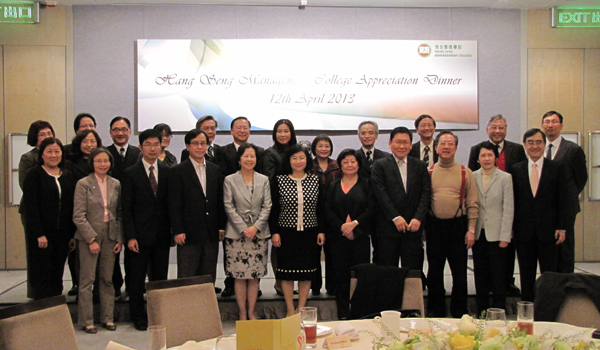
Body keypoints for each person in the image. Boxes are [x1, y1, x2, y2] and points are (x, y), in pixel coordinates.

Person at [509, 128, 574, 302]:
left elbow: (564, 200)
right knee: (526, 273)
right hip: (524, 232)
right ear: (524, 145)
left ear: (545, 145)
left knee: (549, 275)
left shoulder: (557, 168)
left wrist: (562, 226)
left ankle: (547, 309)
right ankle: (527, 310)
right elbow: (512, 202)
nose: (534, 146)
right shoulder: (515, 170)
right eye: (530, 142)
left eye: (538, 142)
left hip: (549, 231)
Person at [468, 114, 526, 297]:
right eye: (494, 127)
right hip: (479, 228)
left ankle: (504, 295)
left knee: (502, 267)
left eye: (501, 127)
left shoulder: (516, 150)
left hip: (502, 219)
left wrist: (506, 232)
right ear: (487, 129)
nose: (498, 130)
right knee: (482, 272)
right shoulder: (475, 154)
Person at [122, 129, 171, 331]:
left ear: (161, 146)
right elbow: (126, 208)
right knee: (136, 278)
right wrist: (130, 236)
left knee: (160, 279)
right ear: (141, 147)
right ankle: (138, 316)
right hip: (139, 236)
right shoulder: (130, 173)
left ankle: (157, 315)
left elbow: (171, 204)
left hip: (161, 234)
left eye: (156, 144)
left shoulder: (168, 171)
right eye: (148, 144)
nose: (152, 148)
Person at [425, 130, 478, 318]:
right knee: (434, 272)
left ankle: (459, 311)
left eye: (450, 143)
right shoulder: (428, 172)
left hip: (458, 227)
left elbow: (472, 203)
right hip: (434, 227)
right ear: (436, 148)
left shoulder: (466, 172)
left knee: (459, 272)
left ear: (455, 148)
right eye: (442, 143)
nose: (446, 147)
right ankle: (436, 310)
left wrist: (471, 229)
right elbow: (423, 202)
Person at [270, 144, 325, 316]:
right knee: (286, 272)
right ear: (288, 161)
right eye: (294, 158)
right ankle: (289, 308)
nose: (298, 161)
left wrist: (321, 231)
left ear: (307, 159)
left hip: (310, 232)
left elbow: (321, 208)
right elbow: (274, 208)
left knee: (306, 272)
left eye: (302, 157)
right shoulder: (279, 180)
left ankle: (301, 307)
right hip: (286, 232)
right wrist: (275, 231)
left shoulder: (315, 180)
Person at [73, 147, 123, 334]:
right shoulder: (83, 184)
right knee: (87, 280)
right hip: (89, 237)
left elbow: (119, 213)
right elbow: (78, 215)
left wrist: (119, 238)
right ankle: (87, 321)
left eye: (106, 161)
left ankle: (107, 318)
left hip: (110, 236)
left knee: (107, 279)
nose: (103, 164)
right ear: (92, 163)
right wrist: (91, 239)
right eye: (98, 161)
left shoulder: (116, 183)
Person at [371, 127, 430, 278]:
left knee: (413, 273)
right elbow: (380, 193)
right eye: (398, 142)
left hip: (413, 228)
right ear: (390, 143)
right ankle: (389, 302)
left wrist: (418, 218)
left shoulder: (420, 166)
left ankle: (412, 302)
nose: (402, 146)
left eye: (406, 142)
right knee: (387, 273)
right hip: (387, 228)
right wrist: (395, 217)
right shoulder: (380, 165)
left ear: (411, 145)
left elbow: (425, 193)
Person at [169, 129, 226, 284]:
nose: (199, 147)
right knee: (188, 275)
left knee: (208, 276)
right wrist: (178, 229)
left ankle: (206, 308)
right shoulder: (178, 171)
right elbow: (174, 204)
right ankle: (187, 308)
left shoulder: (215, 169)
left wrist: (221, 227)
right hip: (188, 233)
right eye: (195, 143)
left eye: (203, 143)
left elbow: (219, 200)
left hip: (211, 232)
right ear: (187, 146)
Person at [23, 137, 76, 300]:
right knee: (42, 273)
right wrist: (39, 233)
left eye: (57, 151)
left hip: (62, 234)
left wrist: (72, 234)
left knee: (57, 272)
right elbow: (30, 207)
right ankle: (42, 312)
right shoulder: (35, 175)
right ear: (42, 154)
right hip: (41, 235)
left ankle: (56, 307)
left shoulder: (67, 175)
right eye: (49, 151)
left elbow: (72, 206)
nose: (54, 155)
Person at [216, 116, 264, 296]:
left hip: (255, 215)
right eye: (238, 127)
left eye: (246, 128)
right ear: (231, 130)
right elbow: (222, 179)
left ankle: (255, 285)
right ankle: (231, 283)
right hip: (232, 209)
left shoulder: (259, 151)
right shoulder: (222, 151)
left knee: (256, 258)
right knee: (232, 255)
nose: (242, 130)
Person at [223, 143, 272, 320]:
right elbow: (228, 206)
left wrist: (255, 227)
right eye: (246, 156)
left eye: (252, 156)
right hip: (236, 234)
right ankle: (242, 313)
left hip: (258, 234)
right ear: (239, 159)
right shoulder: (229, 180)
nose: (249, 159)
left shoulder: (263, 179)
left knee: (254, 277)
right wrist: (244, 228)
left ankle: (251, 311)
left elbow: (267, 206)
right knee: (239, 276)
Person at [325, 148, 374, 319]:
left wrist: (355, 225)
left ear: (359, 164)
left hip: (360, 237)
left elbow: (371, 208)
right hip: (338, 238)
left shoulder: (367, 184)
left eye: (353, 161)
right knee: (340, 276)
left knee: (361, 276)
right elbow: (327, 210)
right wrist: (343, 228)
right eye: (345, 162)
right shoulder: (332, 186)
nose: (349, 165)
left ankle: (360, 312)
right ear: (339, 165)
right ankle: (343, 313)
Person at [541, 111, 588, 273]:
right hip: (544, 207)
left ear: (561, 125)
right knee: (548, 248)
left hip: (566, 207)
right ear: (542, 125)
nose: (550, 125)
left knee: (565, 248)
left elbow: (581, 178)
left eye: (554, 122)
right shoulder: (538, 148)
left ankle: (567, 285)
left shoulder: (573, 149)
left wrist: (567, 197)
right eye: (547, 122)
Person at [472, 142, 514, 313]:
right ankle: (481, 311)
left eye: (490, 155)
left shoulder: (505, 178)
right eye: (483, 155)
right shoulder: (472, 176)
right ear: (478, 159)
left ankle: (498, 311)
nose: (486, 159)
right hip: (477, 232)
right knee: (480, 274)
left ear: (496, 158)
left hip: (497, 234)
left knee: (498, 276)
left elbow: (508, 208)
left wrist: (506, 236)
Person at [19, 120, 55, 298]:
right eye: (42, 134)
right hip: (33, 212)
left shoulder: (57, 155)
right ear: (34, 137)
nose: (47, 137)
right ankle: (35, 293)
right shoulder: (28, 158)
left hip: (53, 213)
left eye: (49, 133)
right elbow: (26, 187)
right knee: (36, 254)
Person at [262, 119, 298, 296]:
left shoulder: (297, 151)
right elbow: (269, 181)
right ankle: (279, 282)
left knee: (293, 246)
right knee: (279, 244)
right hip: (279, 204)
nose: (283, 134)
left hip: (298, 205)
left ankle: (291, 281)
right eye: (279, 131)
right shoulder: (270, 153)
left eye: (286, 131)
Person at [106, 116, 140, 297]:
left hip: (133, 210)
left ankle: (133, 285)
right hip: (109, 209)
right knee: (112, 250)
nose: (120, 133)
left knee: (132, 252)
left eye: (124, 129)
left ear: (129, 131)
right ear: (110, 132)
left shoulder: (138, 153)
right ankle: (114, 285)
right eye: (116, 129)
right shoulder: (104, 154)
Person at [309, 134, 340, 296]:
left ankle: (332, 286)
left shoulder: (337, 166)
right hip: (313, 214)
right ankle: (315, 286)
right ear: (314, 148)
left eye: (326, 146)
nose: (323, 149)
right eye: (320, 146)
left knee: (333, 253)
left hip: (333, 214)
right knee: (314, 253)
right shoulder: (309, 166)